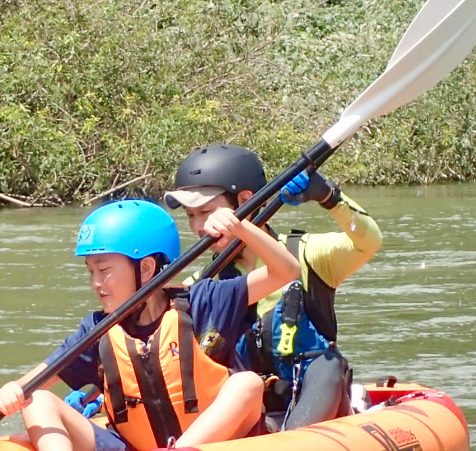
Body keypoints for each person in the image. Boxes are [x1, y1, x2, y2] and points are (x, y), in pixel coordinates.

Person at [0, 199, 299, 451]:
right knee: (37, 398)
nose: (96, 283)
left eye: (104, 270)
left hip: (213, 449)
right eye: (91, 272)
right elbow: (41, 377)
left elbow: (286, 271)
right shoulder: (98, 329)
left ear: (147, 268)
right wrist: (14, 389)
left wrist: (240, 227)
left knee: (247, 384)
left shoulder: (204, 300)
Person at [163, 144, 382, 430]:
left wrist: (328, 196)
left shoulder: (306, 254)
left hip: (317, 398)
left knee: (327, 365)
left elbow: (368, 242)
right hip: (253, 412)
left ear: (245, 201)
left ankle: (298, 441)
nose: (198, 227)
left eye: (207, 212)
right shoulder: (205, 284)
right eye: (191, 216)